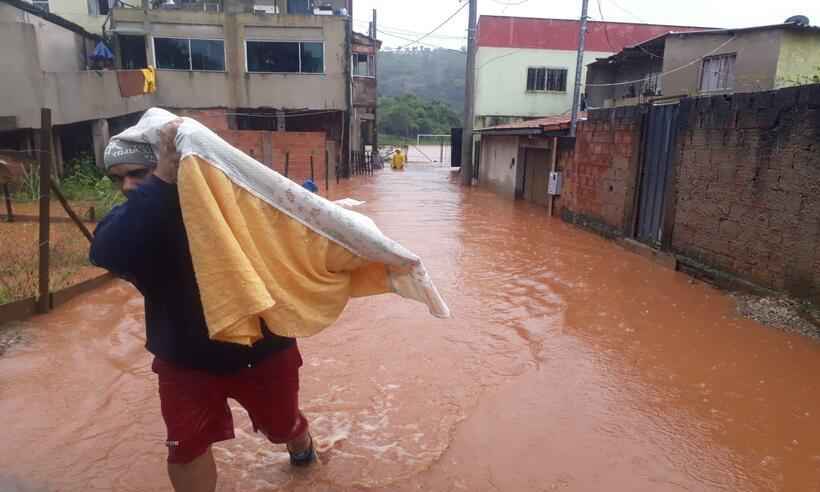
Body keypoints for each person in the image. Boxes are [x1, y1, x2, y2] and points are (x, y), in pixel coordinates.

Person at [90, 121, 315, 492]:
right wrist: (158, 182)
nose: (127, 186)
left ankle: (301, 443)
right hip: (183, 361)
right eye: (119, 178)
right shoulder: (135, 221)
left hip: (262, 351)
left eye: (136, 173)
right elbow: (105, 252)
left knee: (282, 427)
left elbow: (305, 238)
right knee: (186, 447)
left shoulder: (238, 207)